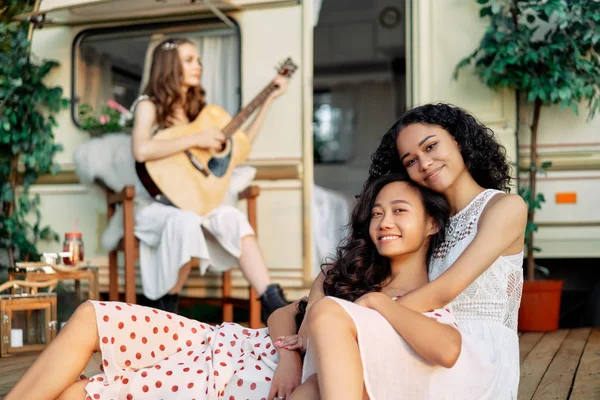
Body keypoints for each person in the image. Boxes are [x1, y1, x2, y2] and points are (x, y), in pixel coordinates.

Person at [288, 103, 526, 399]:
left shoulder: (504, 207)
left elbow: (445, 290)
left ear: (459, 140)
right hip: (420, 335)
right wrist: (312, 308)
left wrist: (368, 310)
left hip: (473, 356)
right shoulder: (424, 218)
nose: (424, 163)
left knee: (335, 345)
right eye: (411, 160)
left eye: (431, 147)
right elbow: (339, 268)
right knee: (312, 387)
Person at [129, 37, 289, 316]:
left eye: (199, 60)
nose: (198, 66)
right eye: (189, 60)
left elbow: (241, 148)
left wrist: (268, 101)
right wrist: (197, 138)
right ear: (169, 66)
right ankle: (166, 310)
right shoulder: (149, 105)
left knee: (234, 219)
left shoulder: (199, 111)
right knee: (185, 221)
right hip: (159, 207)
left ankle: (272, 302)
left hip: (197, 202)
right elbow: (141, 150)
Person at [5, 297, 305, 400]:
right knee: (90, 316)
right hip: (245, 342)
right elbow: (283, 313)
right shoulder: (343, 267)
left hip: (259, 382)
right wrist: (288, 356)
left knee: (74, 396)